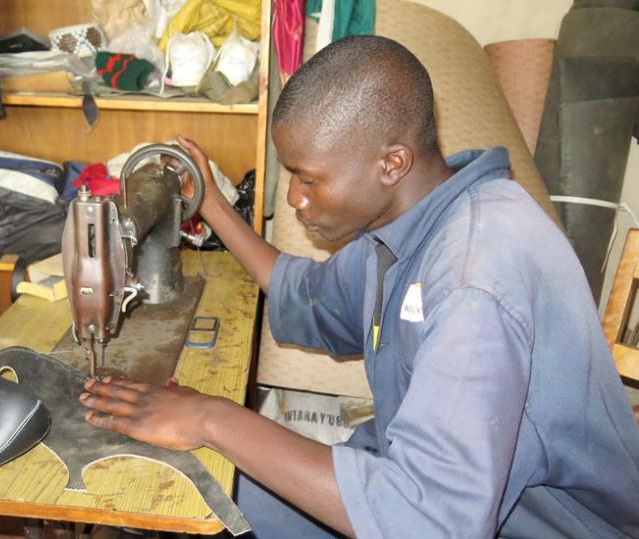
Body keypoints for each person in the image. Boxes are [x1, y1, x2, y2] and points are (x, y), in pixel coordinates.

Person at [79, 35, 639, 538]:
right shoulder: (404, 228)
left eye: (308, 178)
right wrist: (214, 205)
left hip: (506, 524)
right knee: (187, 485)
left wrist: (210, 416)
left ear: (391, 163)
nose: (295, 198)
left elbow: (428, 522)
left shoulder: (474, 277)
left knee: (207, 472)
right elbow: (304, 293)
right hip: (411, 488)